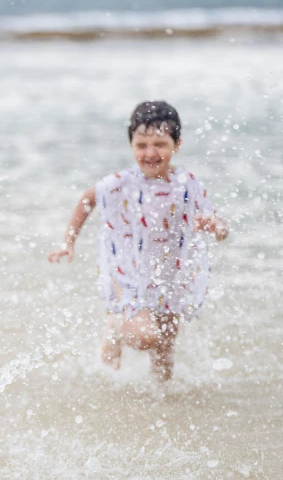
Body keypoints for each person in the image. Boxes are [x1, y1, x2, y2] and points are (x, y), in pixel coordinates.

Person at [48, 101, 228, 381]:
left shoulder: (188, 183)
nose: (150, 153)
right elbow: (88, 199)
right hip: (127, 268)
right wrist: (68, 242)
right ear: (131, 145)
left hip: (171, 273)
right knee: (146, 337)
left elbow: (218, 224)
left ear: (177, 145)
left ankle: (162, 406)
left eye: (160, 144)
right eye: (141, 145)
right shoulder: (122, 181)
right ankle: (116, 325)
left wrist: (216, 226)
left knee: (165, 350)